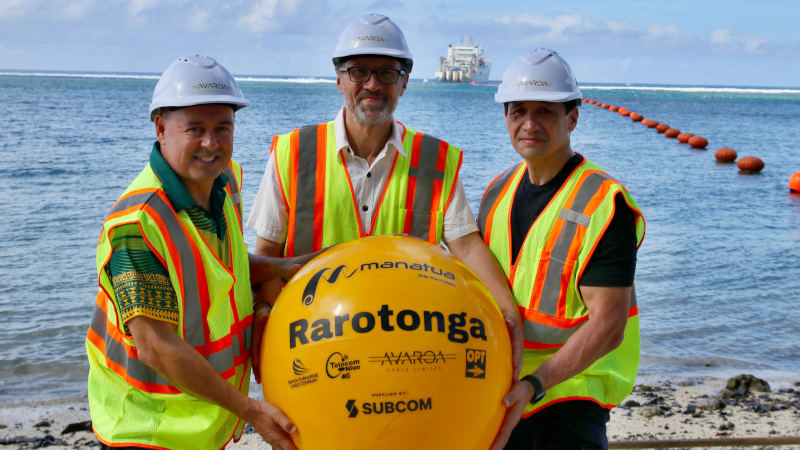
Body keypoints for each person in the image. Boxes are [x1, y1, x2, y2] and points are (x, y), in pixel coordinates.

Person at [247, 13, 523, 375]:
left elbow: (467, 247)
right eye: (359, 72)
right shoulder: (293, 153)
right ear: (339, 80)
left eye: (387, 73)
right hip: (314, 357)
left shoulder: (434, 160)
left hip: (404, 357)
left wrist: (508, 315)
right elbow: (268, 255)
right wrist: (265, 325)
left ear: (404, 83)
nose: (373, 84)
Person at [86, 55, 302, 450]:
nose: (211, 143)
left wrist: (286, 267)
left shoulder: (226, 181)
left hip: (204, 423)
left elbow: (218, 268)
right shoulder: (137, 224)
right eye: (196, 130)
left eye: (223, 128)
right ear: (161, 128)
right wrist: (251, 410)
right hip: (147, 431)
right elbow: (154, 345)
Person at [480, 49, 645, 450]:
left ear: (572, 118)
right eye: (518, 111)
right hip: (505, 388)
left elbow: (608, 326)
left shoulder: (605, 203)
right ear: (505, 118)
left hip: (570, 395)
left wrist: (535, 384)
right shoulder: (497, 191)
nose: (529, 124)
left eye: (545, 112)